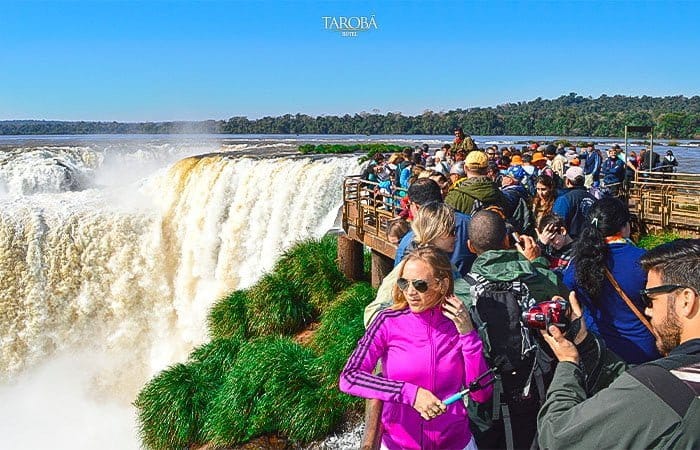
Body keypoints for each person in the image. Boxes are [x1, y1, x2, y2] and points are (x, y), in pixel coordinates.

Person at [538, 238, 700, 449]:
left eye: (650, 298)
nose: (648, 310)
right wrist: (585, 345)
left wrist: (568, 364)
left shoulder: (662, 389)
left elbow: (556, 437)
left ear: (685, 301)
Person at [340, 246, 493, 450]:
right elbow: (349, 377)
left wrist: (468, 335)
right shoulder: (386, 321)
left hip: (455, 443)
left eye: (419, 285)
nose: (410, 292)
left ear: (442, 284)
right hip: (398, 445)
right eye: (404, 283)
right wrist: (409, 393)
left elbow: (481, 395)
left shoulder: (459, 325)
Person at [462, 210, 568, 450]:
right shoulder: (541, 277)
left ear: (470, 246)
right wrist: (537, 262)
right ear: (508, 241)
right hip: (536, 383)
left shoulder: (460, 291)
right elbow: (562, 306)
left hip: (485, 390)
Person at [563, 196, 661, 364]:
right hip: (643, 349)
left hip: (601, 350)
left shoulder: (578, 264)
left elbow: (568, 290)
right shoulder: (645, 261)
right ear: (625, 227)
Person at [395, 178, 475, 276]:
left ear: (415, 206)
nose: (455, 237)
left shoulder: (411, 238)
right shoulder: (471, 223)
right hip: (470, 286)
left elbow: (398, 277)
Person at [445, 150, 509, 217]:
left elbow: (446, 221)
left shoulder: (454, 196)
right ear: (487, 169)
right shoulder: (497, 193)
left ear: (465, 168)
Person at [551, 166, 596, 240]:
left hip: (571, 244)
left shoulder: (564, 199)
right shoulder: (593, 198)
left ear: (567, 181)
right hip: (591, 242)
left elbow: (556, 223)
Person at [536, 214, 575, 278]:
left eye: (552, 239)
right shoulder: (549, 249)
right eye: (548, 242)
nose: (551, 244)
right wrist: (541, 245)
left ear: (562, 231)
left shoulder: (575, 252)